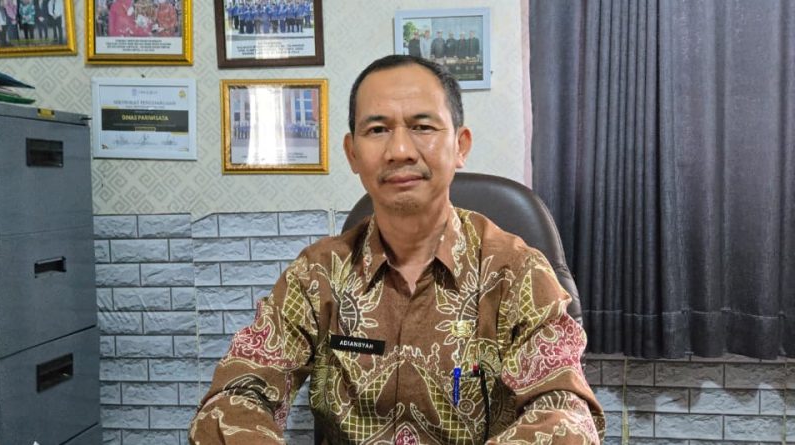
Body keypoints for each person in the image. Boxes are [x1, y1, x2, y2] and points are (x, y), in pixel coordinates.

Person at [189, 54, 605, 444]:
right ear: (353, 153)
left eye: (422, 127)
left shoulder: (517, 273)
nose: (400, 151)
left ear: (460, 145)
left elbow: (564, 414)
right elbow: (236, 394)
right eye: (377, 130)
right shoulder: (316, 274)